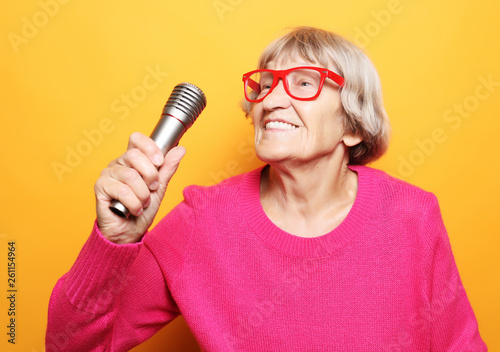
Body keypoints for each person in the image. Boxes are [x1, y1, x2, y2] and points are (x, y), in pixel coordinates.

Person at [46, 27, 487, 351]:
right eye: (265, 85)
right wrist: (115, 241)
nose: (272, 99)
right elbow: (71, 346)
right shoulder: (203, 222)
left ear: (352, 126)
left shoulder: (411, 215)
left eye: (304, 83)